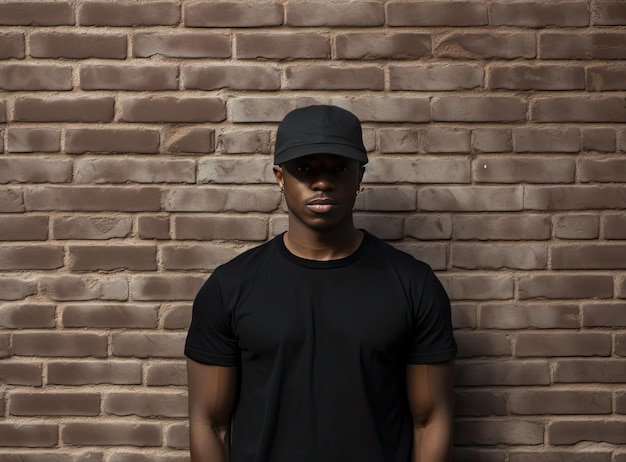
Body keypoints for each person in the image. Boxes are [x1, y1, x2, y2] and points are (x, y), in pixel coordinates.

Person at [185, 105, 457, 462]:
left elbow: (431, 420)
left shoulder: (413, 285)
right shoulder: (230, 286)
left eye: (339, 168)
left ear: (360, 176)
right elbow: (209, 423)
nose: (322, 182)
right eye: (305, 168)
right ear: (280, 177)